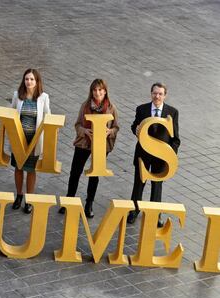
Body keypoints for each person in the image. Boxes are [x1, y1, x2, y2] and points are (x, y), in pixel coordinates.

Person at [58, 79, 119, 218]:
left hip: (101, 145)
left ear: (105, 91)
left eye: (100, 90)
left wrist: (109, 132)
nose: (97, 93)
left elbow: (116, 127)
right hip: (84, 144)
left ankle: (89, 204)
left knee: (94, 174)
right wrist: (84, 131)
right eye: (95, 90)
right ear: (91, 91)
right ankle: (69, 200)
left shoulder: (111, 108)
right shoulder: (85, 106)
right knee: (75, 172)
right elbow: (77, 124)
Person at [127, 82, 180, 227]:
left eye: (160, 94)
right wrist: (135, 129)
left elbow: (175, 138)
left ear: (165, 95)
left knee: (157, 185)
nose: (157, 96)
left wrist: (170, 156)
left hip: (161, 156)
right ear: (151, 94)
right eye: (155, 93)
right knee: (139, 183)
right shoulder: (142, 109)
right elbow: (134, 126)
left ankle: (155, 214)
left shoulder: (172, 113)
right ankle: (134, 211)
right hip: (143, 154)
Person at [10, 68, 51, 214]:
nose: (29, 82)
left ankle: (29, 199)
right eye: (27, 79)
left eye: (32, 79)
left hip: (34, 139)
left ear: (37, 81)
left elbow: (48, 116)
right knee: (19, 167)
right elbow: (11, 113)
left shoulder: (44, 97)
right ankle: (19, 196)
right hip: (19, 139)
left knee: (31, 169)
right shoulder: (17, 95)